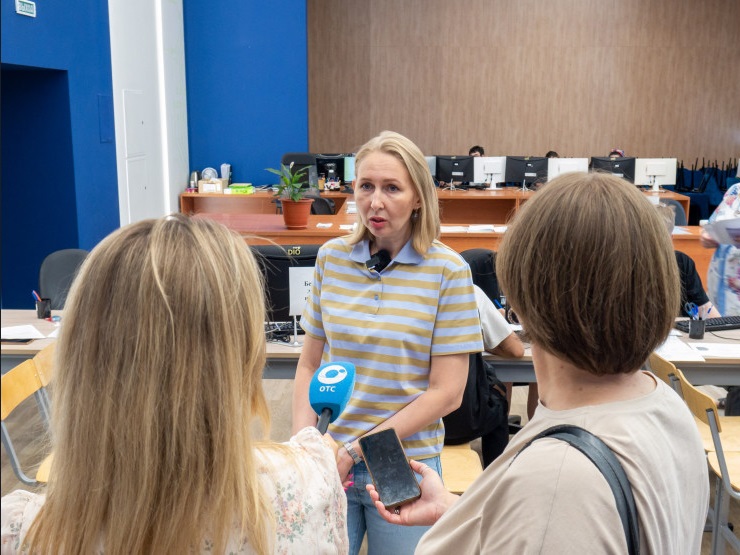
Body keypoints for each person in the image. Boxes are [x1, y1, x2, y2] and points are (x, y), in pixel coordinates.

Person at [368, 172, 709, 553]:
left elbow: (555, 514)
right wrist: (458, 509)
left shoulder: (558, 481)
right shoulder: (662, 403)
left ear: (524, 294)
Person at [1, 215, 348, 554]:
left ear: (79, 357)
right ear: (240, 358)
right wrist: (317, 457)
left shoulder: (20, 534)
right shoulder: (306, 490)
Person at [292, 130, 483, 554]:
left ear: (418, 197)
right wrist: (303, 448)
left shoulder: (447, 272)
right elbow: (309, 363)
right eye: (366, 186)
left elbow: (447, 393)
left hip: (401, 460)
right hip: (330, 456)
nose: (374, 202)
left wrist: (358, 449)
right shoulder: (332, 259)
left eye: (391, 188)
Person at [656, 203, 721, 318]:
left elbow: (703, 306)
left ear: (670, 239)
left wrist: (724, 326)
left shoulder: (682, 262)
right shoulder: (629, 263)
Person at [700, 182, 740, 316]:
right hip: (719, 285)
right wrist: (708, 236)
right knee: (718, 332)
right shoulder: (735, 190)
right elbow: (714, 225)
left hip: (736, 295)